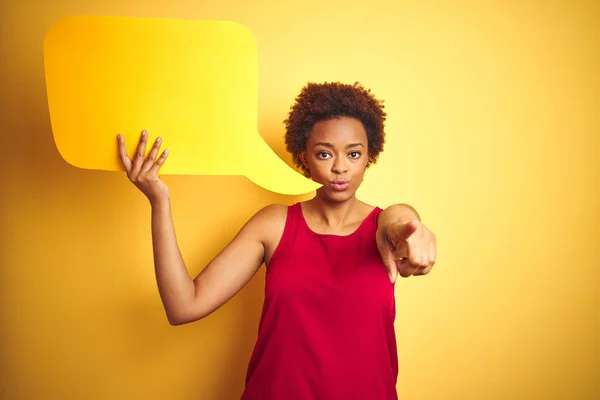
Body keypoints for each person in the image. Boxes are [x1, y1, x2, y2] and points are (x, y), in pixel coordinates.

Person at [117, 81, 436, 400]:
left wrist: (409, 229)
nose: (340, 167)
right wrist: (159, 201)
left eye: (353, 154)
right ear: (304, 157)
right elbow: (183, 306)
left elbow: (401, 220)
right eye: (324, 153)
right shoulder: (274, 225)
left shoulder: (385, 227)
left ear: (369, 157)